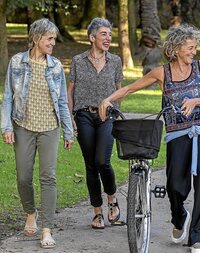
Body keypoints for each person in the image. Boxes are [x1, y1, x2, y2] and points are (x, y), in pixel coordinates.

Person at [98, 24, 200, 253]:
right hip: (176, 133)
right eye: (190, 47)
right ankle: (179, 216)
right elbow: (130, 89)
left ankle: (197, 238)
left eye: (195, 47)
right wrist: (107, 100)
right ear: (176, 48)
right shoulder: (162, 73)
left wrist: (196, 101)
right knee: (175, 185)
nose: (194, 52)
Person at [1, 18, 74, 249]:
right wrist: (7, 126)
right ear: (36, 38)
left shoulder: (55, 66)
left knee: (48, 177)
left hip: (49, 128)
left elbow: (62, 101)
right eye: (49, 38)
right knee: (23, 176)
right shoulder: (17, 62)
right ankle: (30, 213)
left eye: (54, 38)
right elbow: (8, 97)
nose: (53, 42)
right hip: (23, 126)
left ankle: (46, 229)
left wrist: (68, 131)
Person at [67, 17, 123, 229]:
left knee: (102, 160)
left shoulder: (115, 61)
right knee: (90, 165)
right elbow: (70, 91)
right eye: (103, 34)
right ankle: (97, 212)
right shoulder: (78, 61)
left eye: (109, 34)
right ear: (92, 38)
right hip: (83, 116)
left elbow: (119, 89)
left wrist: (117, 112)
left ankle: (112, 198)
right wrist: (71, 117)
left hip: (107, 116)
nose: (108, 38)